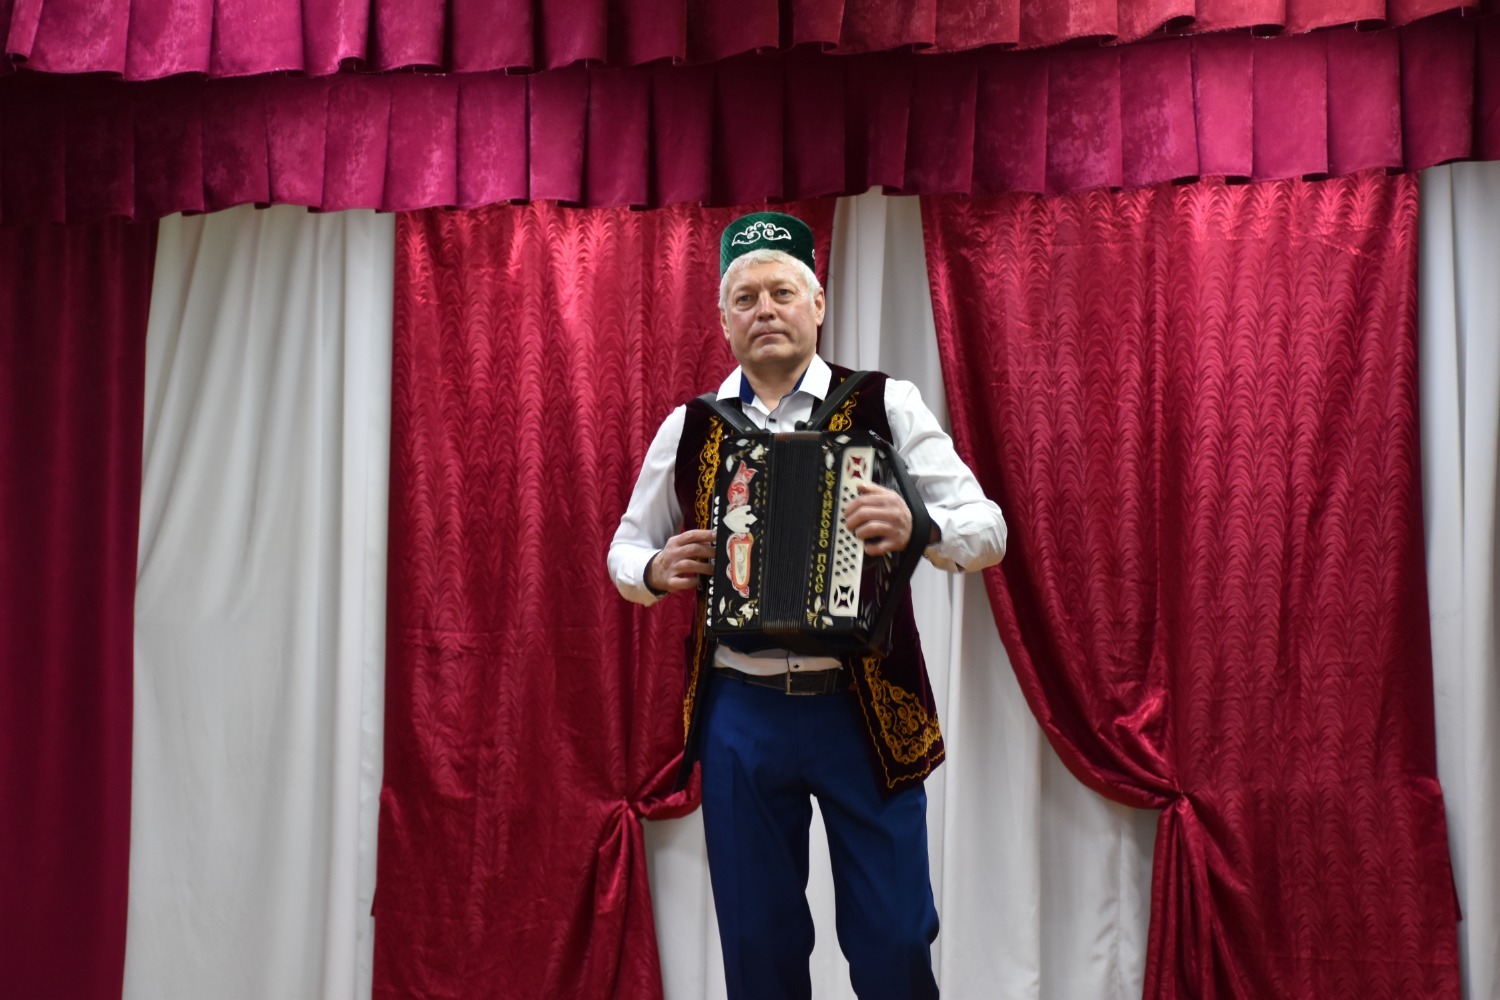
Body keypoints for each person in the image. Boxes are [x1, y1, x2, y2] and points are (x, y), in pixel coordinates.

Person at [608, 211, 1006, 1000]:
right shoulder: (691, 428)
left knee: (895, 941)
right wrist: (654, 568)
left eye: (782, 292)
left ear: (817, 304)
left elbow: (986, 528)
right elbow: (625, 547)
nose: (765, 309)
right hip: (740, 711)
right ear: (724, 320)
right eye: (746, 297)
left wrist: (921, 526)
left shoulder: (886, 404)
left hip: (864, 706)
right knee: (758, 949)